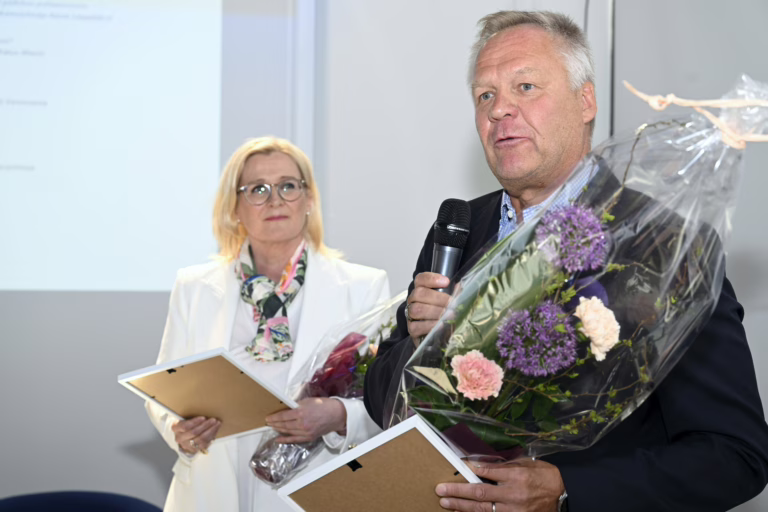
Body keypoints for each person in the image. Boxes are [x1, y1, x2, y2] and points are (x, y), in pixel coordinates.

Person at [364, 10, 768, 512]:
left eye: (526, 86)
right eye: (485, 96)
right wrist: (425, 342)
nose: (499, 110)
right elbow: (383, 398)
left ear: (585, 101)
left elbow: (734, 456)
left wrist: (567, 488)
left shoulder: (662, 247)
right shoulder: (459, 228)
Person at [147, 136, 390, 512]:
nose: (275, 200)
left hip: (314, 487)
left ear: (309, 200)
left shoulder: (362, 287)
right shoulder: (194, 287)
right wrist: (178, 430)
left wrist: (338, 416)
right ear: (234, 208)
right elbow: (167, 389)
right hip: (212, 489)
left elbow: (384, 399)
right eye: (257, 189)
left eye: (288, 186)